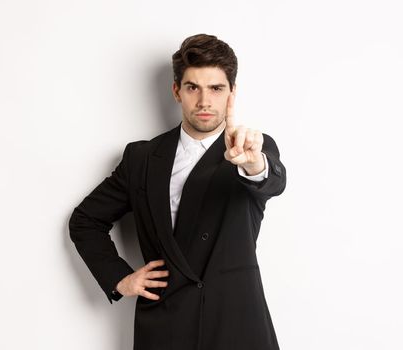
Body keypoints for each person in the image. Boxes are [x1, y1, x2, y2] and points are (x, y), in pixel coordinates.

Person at [69, 33, 286, 350]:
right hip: (166, 324)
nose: (204, 101)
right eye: (192, 87)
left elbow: (272, 180)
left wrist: (253, 164)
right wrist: (120, 278)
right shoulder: (141, 158)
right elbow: (86, 220)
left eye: (216, 88)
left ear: (231, 93)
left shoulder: (252, 148)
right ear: (176, 91)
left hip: (237, 323)